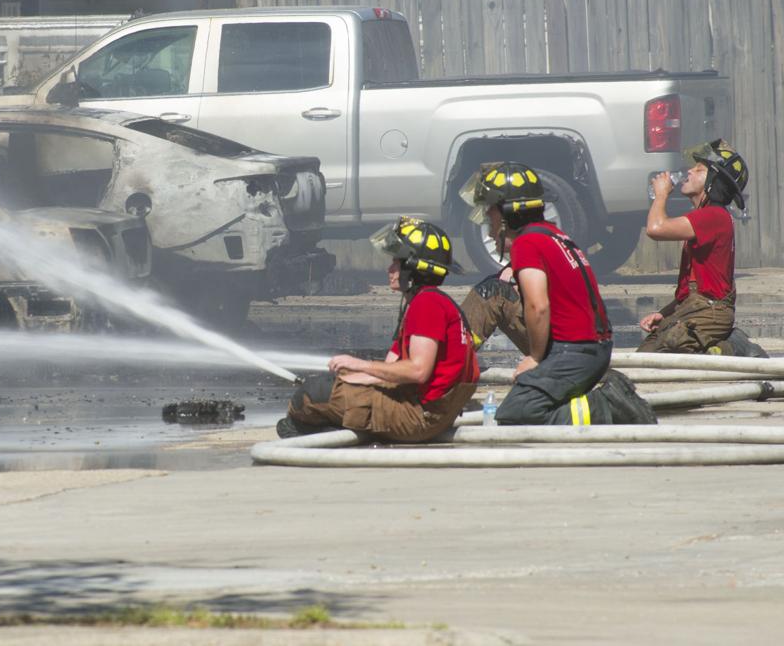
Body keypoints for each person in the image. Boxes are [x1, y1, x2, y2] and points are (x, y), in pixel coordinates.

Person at [460, 161, 656, 425]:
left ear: (508, 213)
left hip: (572, 352)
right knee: (496, 289)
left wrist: (534, 358)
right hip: (588, 350)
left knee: (517, 413)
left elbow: (538, 306)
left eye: (490, 212)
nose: (488, 222)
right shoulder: (553, 236)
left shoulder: (527, 243)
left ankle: (608, 406)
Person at [278, 217, 480, 442]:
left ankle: (325, 432)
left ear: (414, 268)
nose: (390, 268)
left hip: (418, 417)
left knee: (310, 396)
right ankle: (336, 427)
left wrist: (360, 364)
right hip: (427, 411)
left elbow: (418, 371)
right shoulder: (428, 302)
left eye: (397, 262)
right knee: (339, 380)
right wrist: (356, 375)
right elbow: (392, 367)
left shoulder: (428, 304)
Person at [641, 139, 764, 357]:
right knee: (644, 357)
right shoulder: (705, 217)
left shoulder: (714, 215)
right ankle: (718, 346)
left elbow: (655, 228)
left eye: (699, 169)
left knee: (672, 349)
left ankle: (732, 347)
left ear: (714, 182)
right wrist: (664, 313)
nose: (689, 171)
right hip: (693, 308)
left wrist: (661, 195)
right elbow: (693, 289)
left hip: (711, 312)